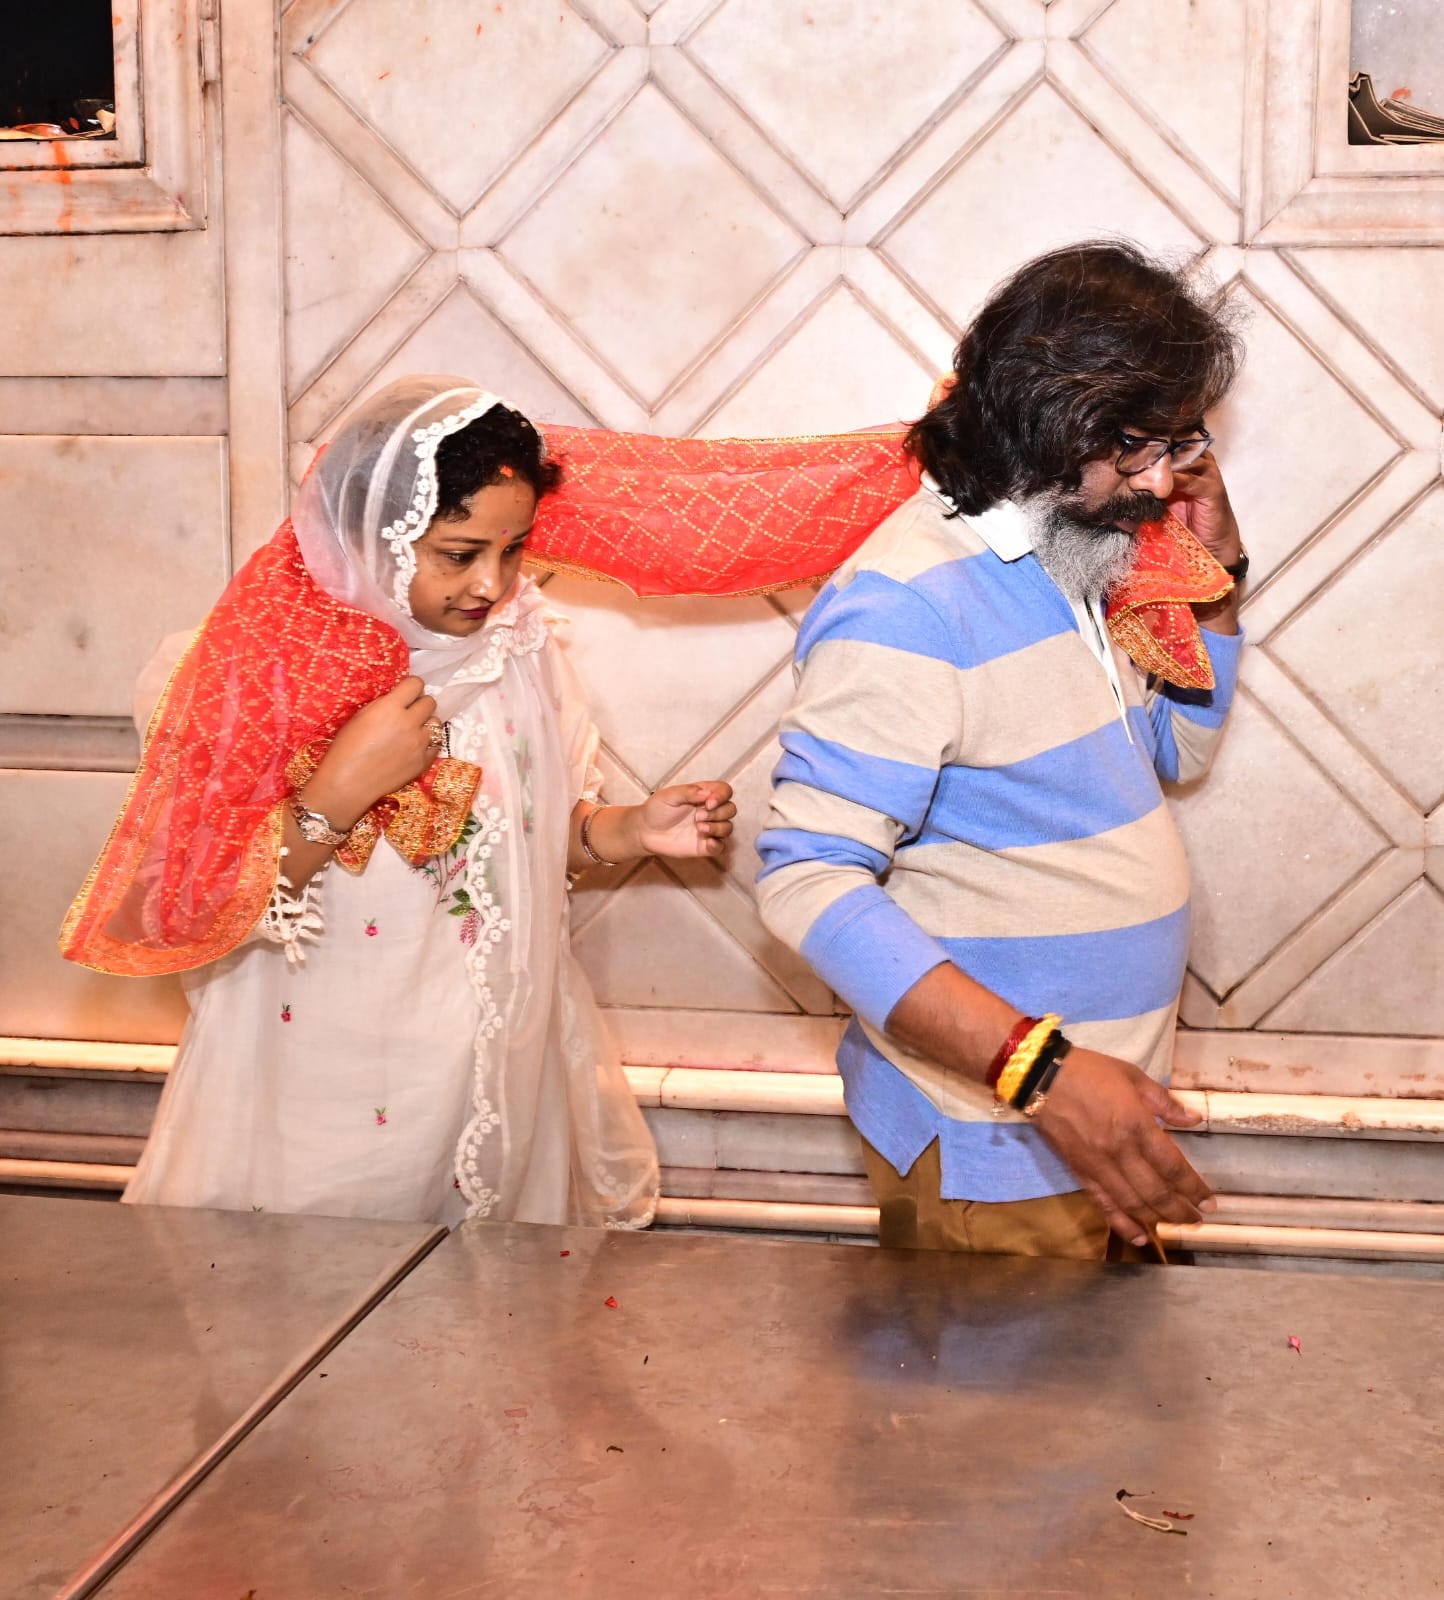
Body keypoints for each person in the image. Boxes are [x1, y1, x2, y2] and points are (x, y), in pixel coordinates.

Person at [62, 377, 735, 1227]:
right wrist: (338, 792)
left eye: (514, 549)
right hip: (325, 1101)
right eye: (458, 553)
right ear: (368, 532)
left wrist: (630, 828)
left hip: (496, 1080)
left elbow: (527, 846)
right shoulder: (242, 672)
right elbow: (190, 907)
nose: (491, 584)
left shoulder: (520, 646)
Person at [755, 242, 1248, 1259]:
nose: (1162, 479)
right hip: (994, 1136)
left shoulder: (1068, 554)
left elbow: (1173, 758)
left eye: (1178, 443)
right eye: (1138, 447)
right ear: (1047, 423)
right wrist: (1044, 1074)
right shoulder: (908, 604)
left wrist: (1219, 574)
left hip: (1082, 1125)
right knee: (989, 1422)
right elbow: (807, 881)